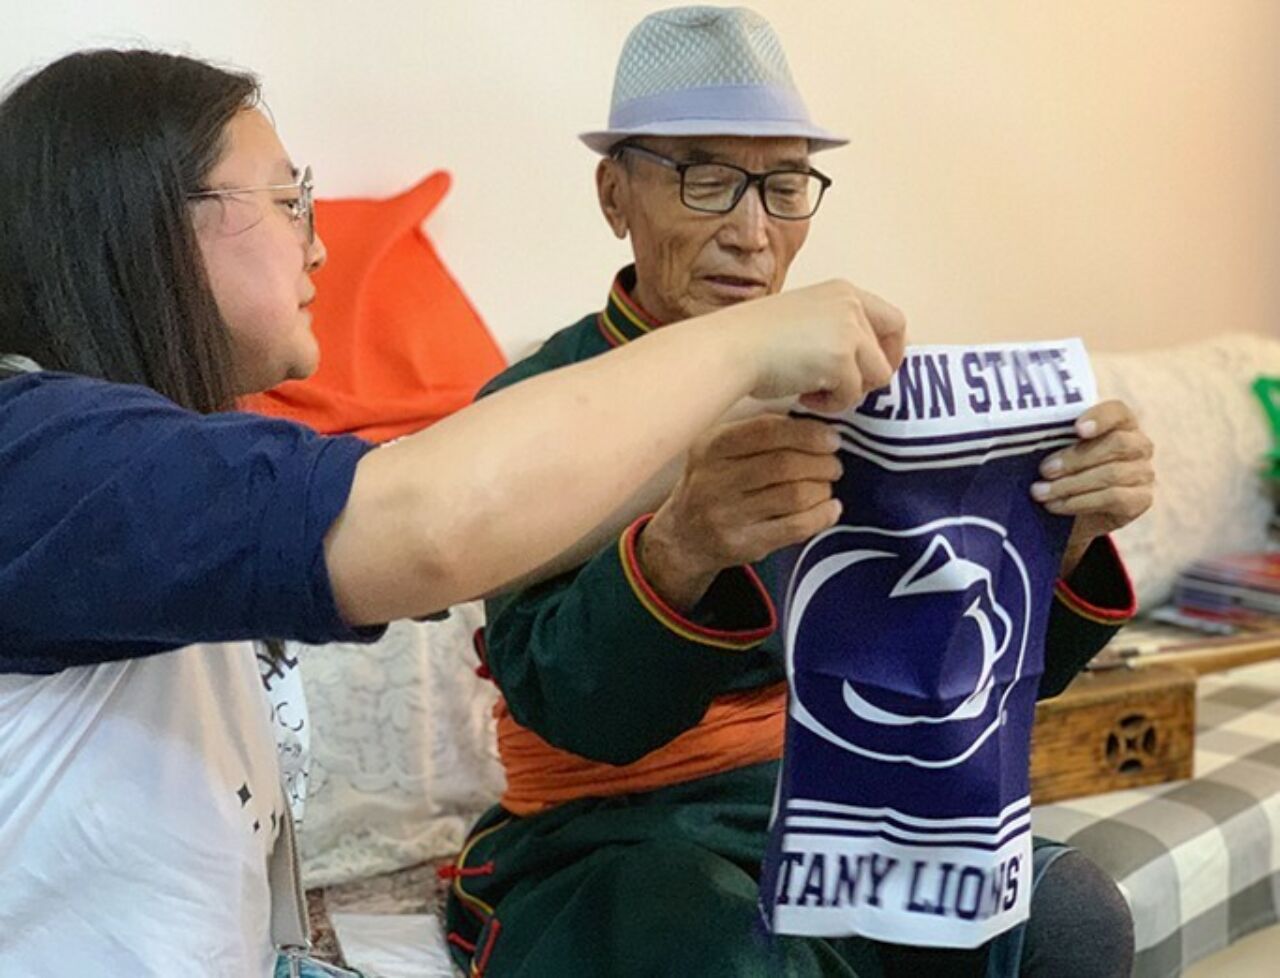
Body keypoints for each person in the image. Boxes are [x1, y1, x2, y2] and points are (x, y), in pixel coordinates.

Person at [0, 49, 904, 977]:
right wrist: (744, 355)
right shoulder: (35, 458)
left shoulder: (161, 461)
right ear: (146, 226)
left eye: (784, 186)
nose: (318, 243)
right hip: (623, 850)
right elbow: (431, 526)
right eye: (286, 200)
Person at [444, 7, 1154, 978]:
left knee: (1068, 910)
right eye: (704, 177)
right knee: (712, 934)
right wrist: (678, 550)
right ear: (615, 194)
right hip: (609, 833)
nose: (750, 231)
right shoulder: (535, 405)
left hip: (835, 800)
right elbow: (573, 715)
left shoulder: (859, 389)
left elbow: (952, 676)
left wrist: (1061, 536)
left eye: (783, 186)